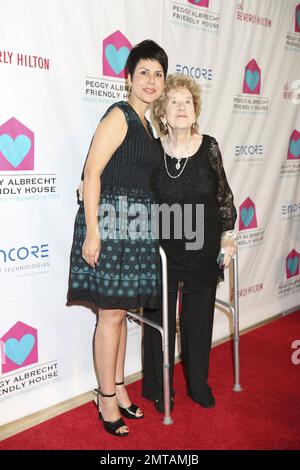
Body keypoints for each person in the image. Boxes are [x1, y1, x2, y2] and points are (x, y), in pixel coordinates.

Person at [67, 40, 168, 436]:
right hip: (108, 225)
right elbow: (92, 173)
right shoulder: (120, 116)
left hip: (135, 228)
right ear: (127, 78)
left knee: (121, 315)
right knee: (110, 316)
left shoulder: (147, 124)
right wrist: (93, 232)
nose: (151, 80)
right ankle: (105, 398)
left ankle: (121, 389)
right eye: (143, 72)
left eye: (158, 74)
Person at [142, 73, 237, 412]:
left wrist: (228, 235)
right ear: (163, 114)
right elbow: (133, 189)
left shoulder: (209, 146)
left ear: (195, 111)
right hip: (162, 252)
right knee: (158, 323)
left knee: (197, 323)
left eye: (187, 102)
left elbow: (223, 195)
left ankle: (198, 385)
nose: (181, 107)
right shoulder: (153, 151)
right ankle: (157, 387)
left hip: (202, 249)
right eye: (173, 102)